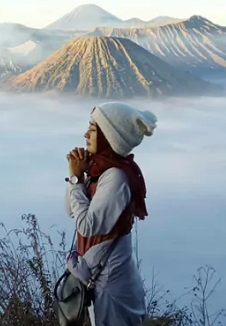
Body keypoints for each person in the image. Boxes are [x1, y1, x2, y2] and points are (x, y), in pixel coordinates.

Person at [64, 101, 157, 326]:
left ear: (109, 136)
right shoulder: (100, 171)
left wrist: (76, 179)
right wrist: (79, 176)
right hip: (102, 279)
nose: (85, 134)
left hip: (112, 285)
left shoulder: (116, 177)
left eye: (93, 129)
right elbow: (71, 210)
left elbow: (86, 226)